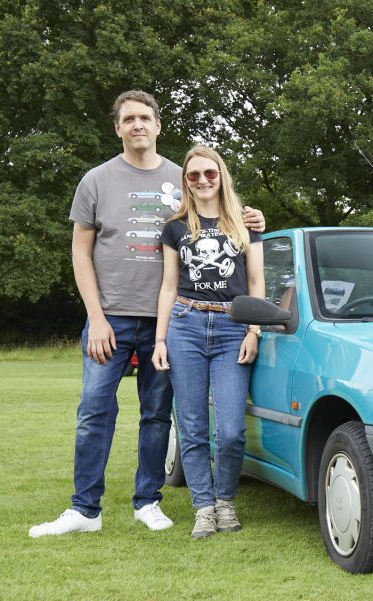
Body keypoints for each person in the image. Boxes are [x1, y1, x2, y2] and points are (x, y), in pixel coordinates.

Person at [30, 91, 265, 538]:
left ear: (158, 126)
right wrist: (95, 317)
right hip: (113, 317)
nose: (137, 124)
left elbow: (227, 216)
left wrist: (253, 218)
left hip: (169, 320)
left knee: (157, 414)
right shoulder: (96, 181)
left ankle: (148, 500)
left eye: (145, 118)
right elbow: (80, 254)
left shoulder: (185, 177)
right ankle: (85, 509)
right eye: (128, 119)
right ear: (117, 128)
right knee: (94, 410)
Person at [153, 145, 265, 539]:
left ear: (222, 176)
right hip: (185, 323)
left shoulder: (247, 224)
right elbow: (168, 286)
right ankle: (204, 506)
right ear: (186, 180)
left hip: (233, 327)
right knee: (192, 424)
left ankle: (225, 500)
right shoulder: (175, 226)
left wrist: (254, 329)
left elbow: (256, 284)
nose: (202, 180)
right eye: (194, 174)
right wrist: (160, 339)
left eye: (210, 173)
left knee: (231, 430)